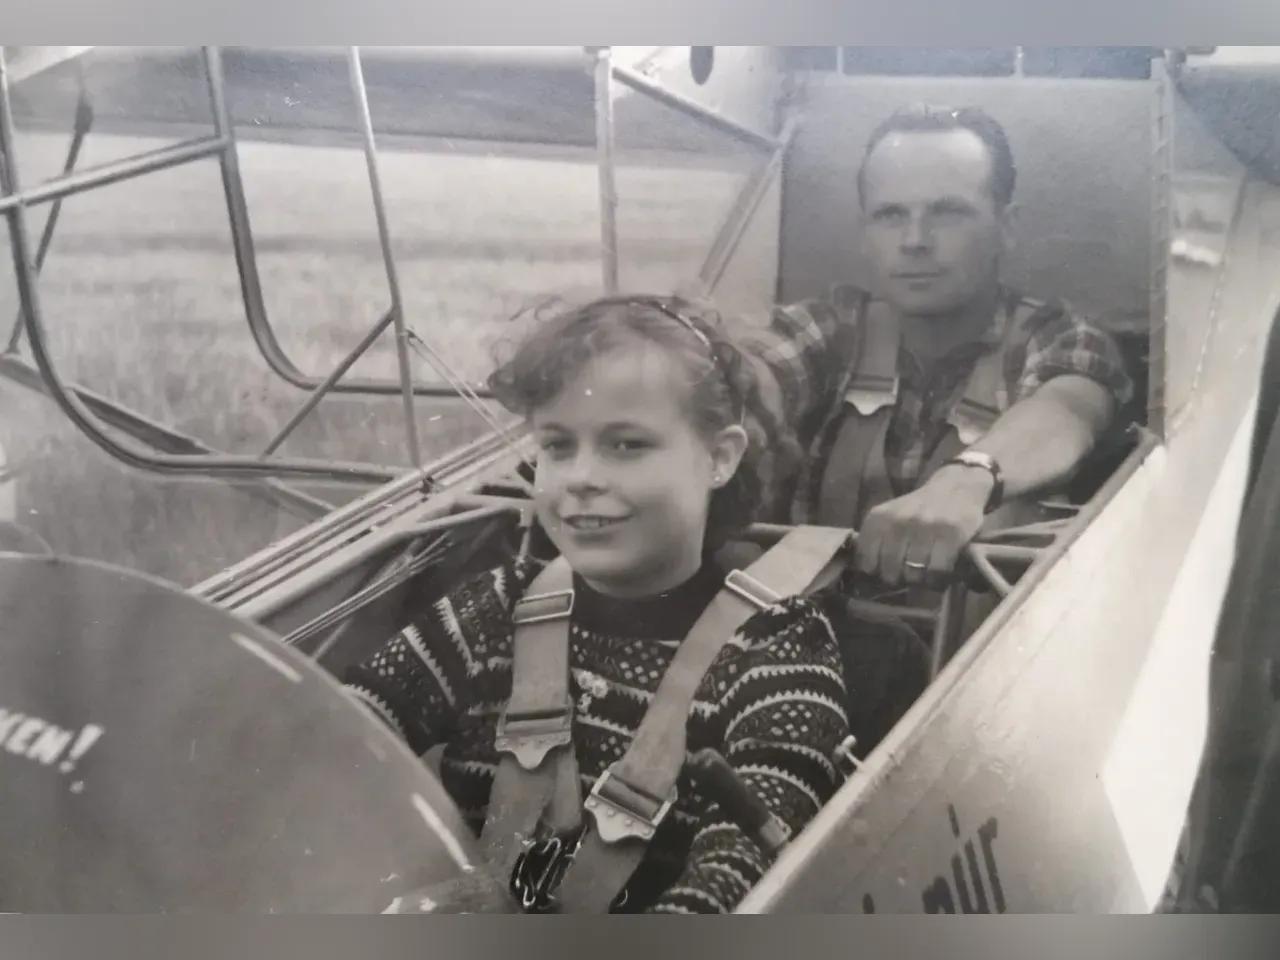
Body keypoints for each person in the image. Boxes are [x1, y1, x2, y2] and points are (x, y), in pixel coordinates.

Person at [343, 296, 854, 914]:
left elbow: (744, 870)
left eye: (626, 445)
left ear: (719, 457)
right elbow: (341, 733)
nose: (581, 476)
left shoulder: (778, 649)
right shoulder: (497, 605)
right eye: (558, 447)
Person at [744, 104, 1135, 589]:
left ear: (1006, 227)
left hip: (981, 655)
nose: (915, 240)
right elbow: (746, 380)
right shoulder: (827, 329)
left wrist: (969, 478)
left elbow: (1069, 408)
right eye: (890, 216)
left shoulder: (1057, 337)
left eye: (948, 213)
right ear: (865, 233)